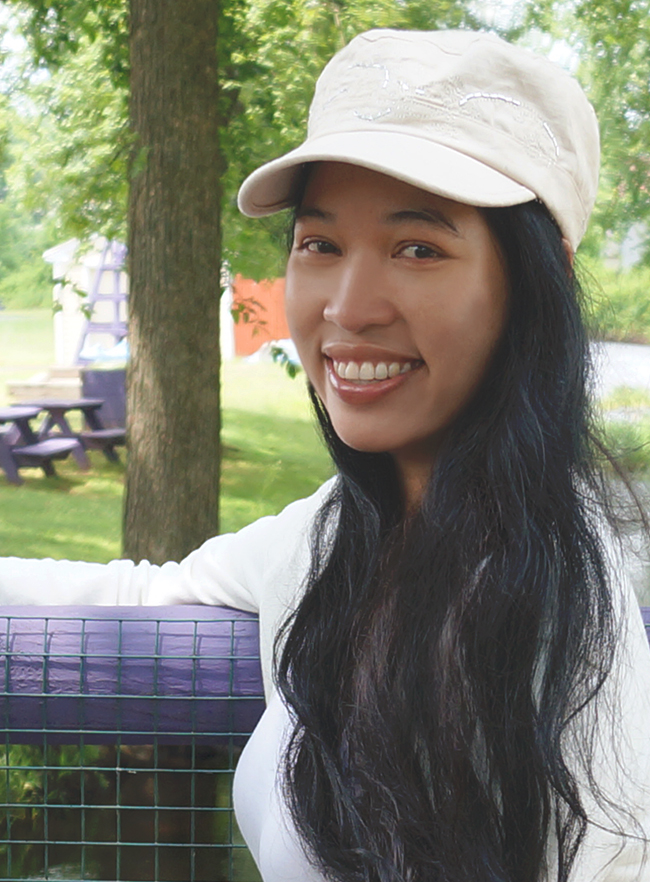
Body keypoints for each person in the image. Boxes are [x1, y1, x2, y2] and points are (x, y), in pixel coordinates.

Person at [1, 27, 650, 882]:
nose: (348, 308)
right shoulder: (339, 534)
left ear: (542, 281)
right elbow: (144, 591)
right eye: (320, 244)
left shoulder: (563, 619)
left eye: (418, 248)